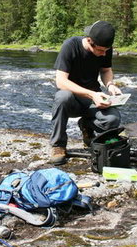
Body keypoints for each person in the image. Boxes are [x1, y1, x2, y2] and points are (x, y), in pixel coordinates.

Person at [49, 21, 123, 165]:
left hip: (92, 98)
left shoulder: (105, 48)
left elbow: (106, 70)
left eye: (107, 50)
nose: (104, 54)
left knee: (113, 120)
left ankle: (86, 125)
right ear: (90, 41)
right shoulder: (70, 46)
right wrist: (92, 94)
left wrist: (110, 85)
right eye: (101, 50)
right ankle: (58, 145)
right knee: (62, 96)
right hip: (72, 100)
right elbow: (61, 81)